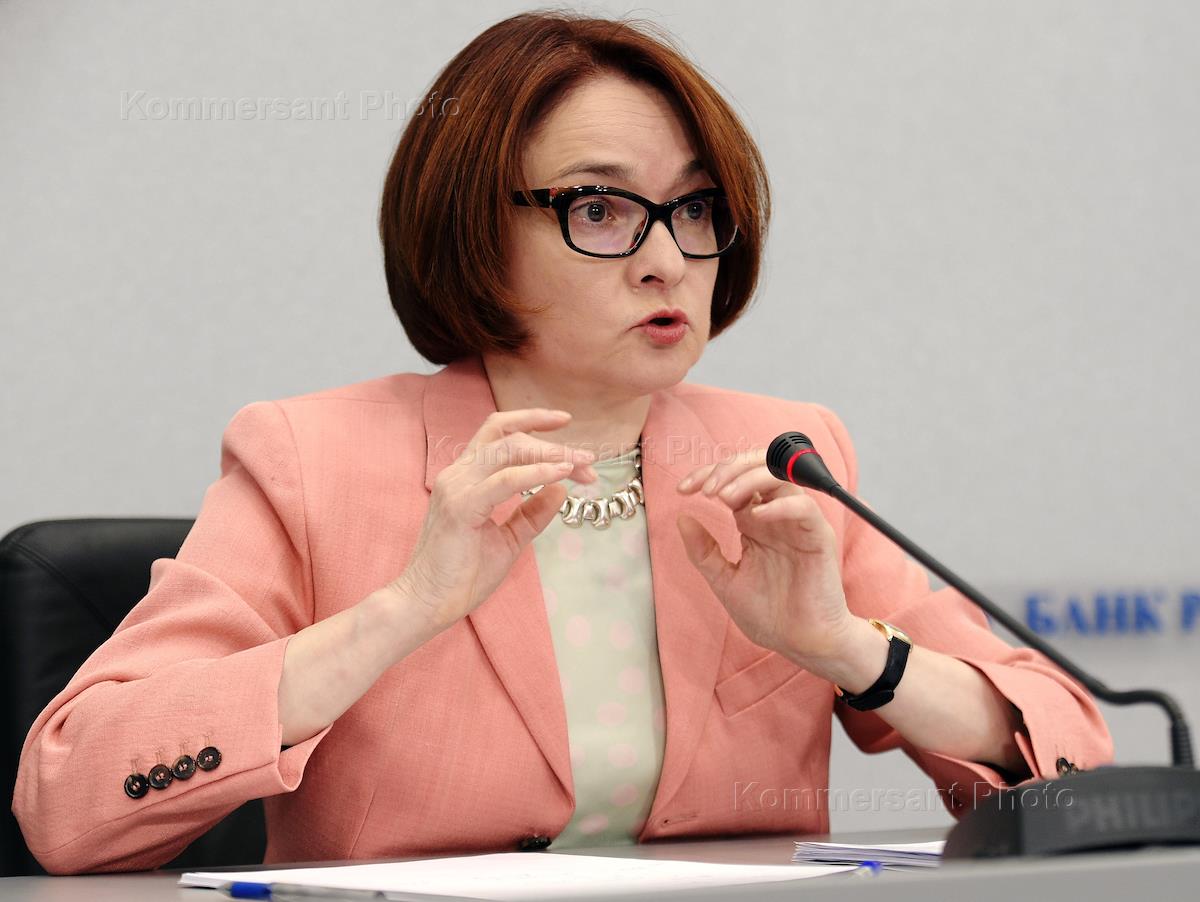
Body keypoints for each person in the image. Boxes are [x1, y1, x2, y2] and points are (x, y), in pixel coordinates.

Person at [12, 9, 1113, 875]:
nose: (666, 259)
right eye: (601, 210)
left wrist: (848, 649)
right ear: (474, 229)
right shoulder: (311, 458)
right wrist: (403, 610)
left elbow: (1068, 756)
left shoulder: (782, 455)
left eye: (695, 209)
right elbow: (69, 799)